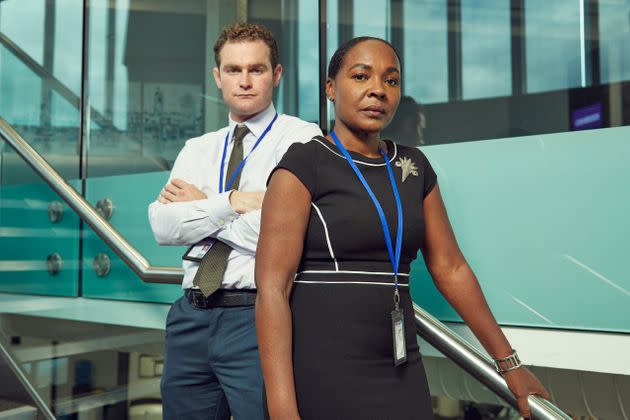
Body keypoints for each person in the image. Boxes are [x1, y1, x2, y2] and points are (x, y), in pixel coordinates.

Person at [255, 36, 550, 419]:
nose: (377, 90)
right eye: (361, 77)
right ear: (330, 88)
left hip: (398, 367)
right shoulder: (305, 162)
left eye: (391, 81)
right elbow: (272, 289)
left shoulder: (413, 167)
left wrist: (510, 365)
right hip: (318, 369)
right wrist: (281, 408)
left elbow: (451, 268)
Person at [148, 22, 322, 419]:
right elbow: (163, 226)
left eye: (256, 69)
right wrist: (236, 202)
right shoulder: (197, 148)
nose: (244, 81)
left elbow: (287, 232)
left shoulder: (301, 138)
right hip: (189, 317)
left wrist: (206, 205)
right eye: (233, 70)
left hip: (255, 316)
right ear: (218, 76)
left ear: (276, 75)